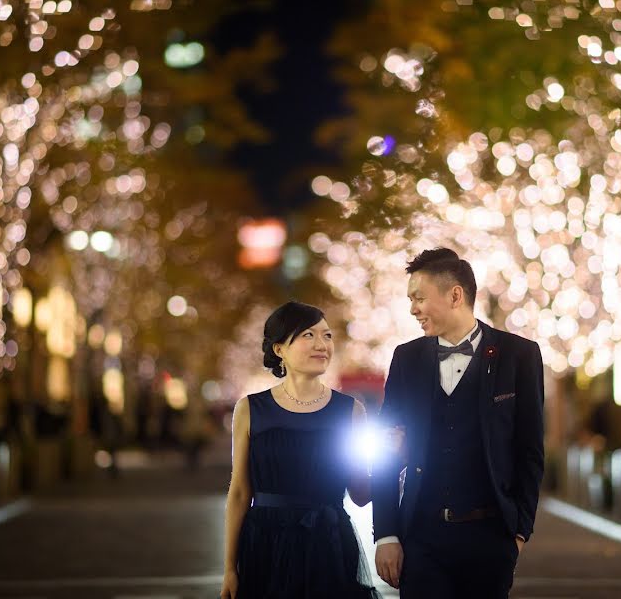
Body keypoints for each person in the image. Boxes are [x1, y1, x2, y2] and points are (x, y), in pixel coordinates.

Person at [372, 248, 545, 599]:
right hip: (421, 538)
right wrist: (386, 534)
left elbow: (530, 451)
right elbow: (385, 450)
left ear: (455, 295)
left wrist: (519, 533)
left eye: (419, 298)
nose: (412, 309)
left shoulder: (520, 356)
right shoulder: (406, 359)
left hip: (490, 537)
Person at [221, 301, 383, 599]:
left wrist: (395, 462)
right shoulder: (250, 409)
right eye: (308, 335)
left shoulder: (350, 411)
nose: (321, 345)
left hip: (328, 542)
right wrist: (230, 568)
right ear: (279, 348)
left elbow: (360, 494)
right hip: (265, 542)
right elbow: (241, 492)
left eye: (327, 336)